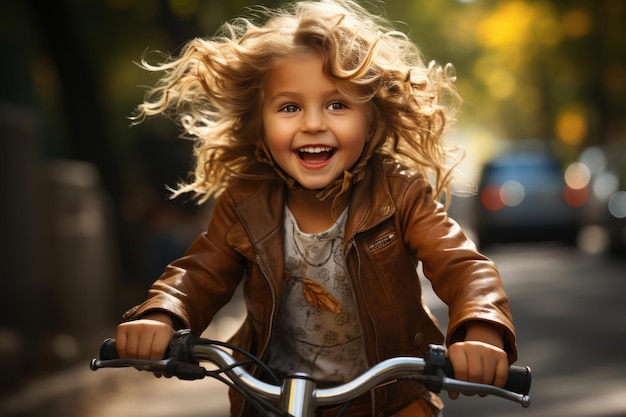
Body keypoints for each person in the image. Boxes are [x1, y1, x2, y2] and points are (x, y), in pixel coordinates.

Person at [116, 1, 517, 416]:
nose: (312, 124)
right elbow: (200, 273)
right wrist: (164, 315)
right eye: (289, 107)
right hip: (273, 396)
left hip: (390, 398)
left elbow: (462, 265)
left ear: (371, 117)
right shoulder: (244, 201)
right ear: (260, 123)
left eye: (337, 105)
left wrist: (481, 328)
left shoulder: (400, 193)